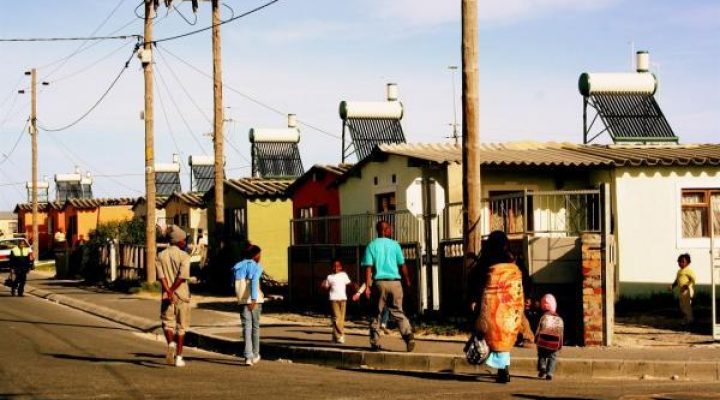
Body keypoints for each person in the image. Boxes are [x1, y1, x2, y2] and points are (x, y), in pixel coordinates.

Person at [475, 230, 524, 383]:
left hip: (491, 306)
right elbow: (522, 280)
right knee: (505, 336)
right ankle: (503, 369)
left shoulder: (485, 261)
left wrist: (474, 300)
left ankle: (501, 368)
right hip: (509, 306)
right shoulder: (513, 260)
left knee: (492, 334)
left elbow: (477, 281)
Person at [362, 220, 415, 352]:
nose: (391, 230)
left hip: (379, 283)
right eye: (389, 228)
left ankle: (375, 341)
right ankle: (408, 335)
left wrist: (368, 286)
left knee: (377, 313)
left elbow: (368, 268)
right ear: (384, 230)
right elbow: (402, 265)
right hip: (395, 282)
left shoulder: (371, 246)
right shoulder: (395, 245)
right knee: (398, 311)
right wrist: (407, 280)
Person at [156, 225, 192, 367]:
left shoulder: (161, 255)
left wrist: (168, 290)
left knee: (167, 323)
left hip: (166, 295)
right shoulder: (184, 256)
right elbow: (182, 277)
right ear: (179, 241)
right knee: (181, 327)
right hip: (182, 295)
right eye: (184, 239)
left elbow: (161, 276)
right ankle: (179, 357)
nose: (185, 242)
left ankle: (170, 342)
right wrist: (173, 289)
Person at [233, 244, 264, 366]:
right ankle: (255, 354)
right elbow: (255, 281)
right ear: (255, 255)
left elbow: (236, 284)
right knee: (255, 328)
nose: (260, 256)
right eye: (259, 254)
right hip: (255, 301)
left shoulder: (238, 266)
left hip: (242, 300)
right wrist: (254, 299)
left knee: (246, 328)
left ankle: (247, 356)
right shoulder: (257, 266)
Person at [322, 259, 352, 343]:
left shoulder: (344, 274)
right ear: (332, 267)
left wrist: (355, 288)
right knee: (337, 318)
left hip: (343, 299)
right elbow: (326, 287)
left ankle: (334, 335)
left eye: (338, 266)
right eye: (334, 266)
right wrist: (324, 284)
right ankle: (340, 336)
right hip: (333, 299)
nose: (336, 268)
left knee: (341, 319)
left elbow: (349, 283)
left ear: (341, 267)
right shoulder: (329, 277)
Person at [535, 293, 564, 380]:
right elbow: (561, 333)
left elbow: (538, 329)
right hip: (554, 343)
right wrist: (560, 345)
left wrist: (536, 339)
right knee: (553, 357)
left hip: (543, 341)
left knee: (541, 354)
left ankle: (542, 367)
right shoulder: (559, 318)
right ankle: (550, 373)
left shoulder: (543, 316)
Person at [670, 253, 696, 326]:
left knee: (686, 305)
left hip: (687, 290)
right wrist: (672, 286)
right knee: (682, 306)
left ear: (688, 263)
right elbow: (677, 280)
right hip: (681, 291)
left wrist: (687, 285)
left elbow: (693, 279)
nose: (681, 263)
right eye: (679, 261)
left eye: (683, 262)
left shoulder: (688, 271)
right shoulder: (679, 271)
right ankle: (687, 318)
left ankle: (690, 320)